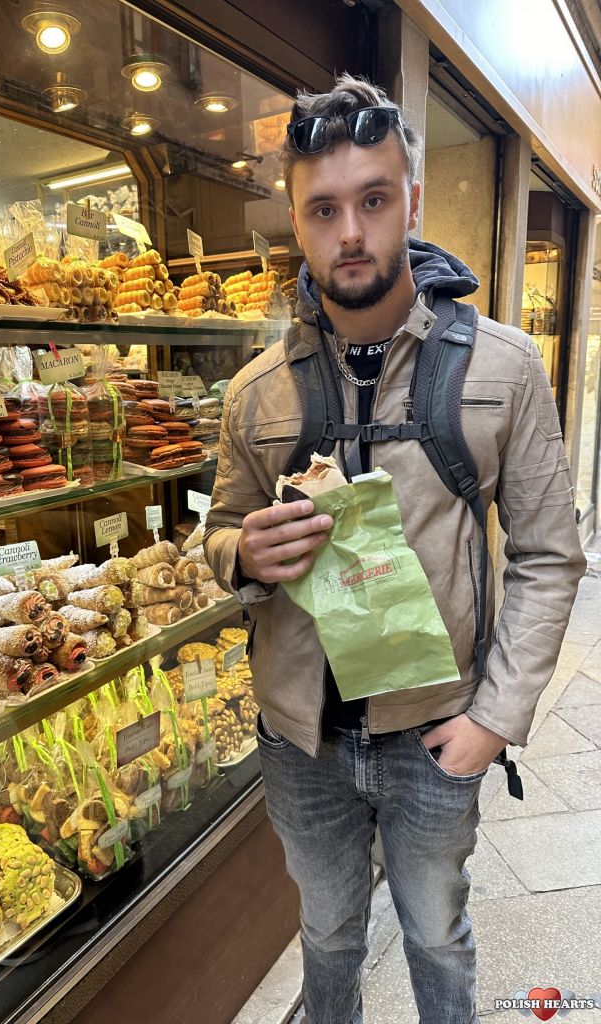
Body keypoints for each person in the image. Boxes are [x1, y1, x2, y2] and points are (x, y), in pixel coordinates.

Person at [203, 74, 585, 1024]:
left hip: (436, 732)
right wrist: (243, 555)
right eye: (323, 209)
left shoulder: (503, 366)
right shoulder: (256, 392)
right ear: (297, 224)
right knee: (327, 932)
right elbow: (217, 532)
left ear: (411, 201)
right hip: (301, 744)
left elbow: (549, 553)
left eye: (373, 200)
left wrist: (496, 718)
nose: (351, 232)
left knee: (436, 933)